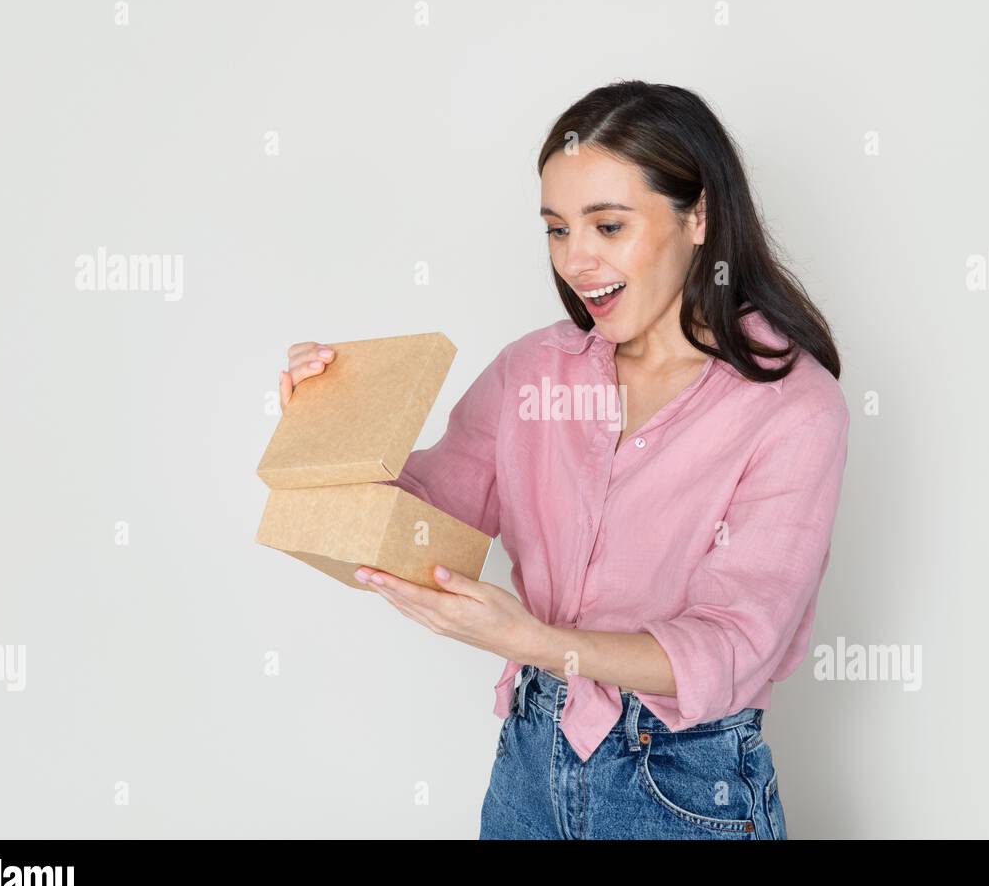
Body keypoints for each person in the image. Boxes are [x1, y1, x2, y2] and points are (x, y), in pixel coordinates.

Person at [277, 81, 850, 840]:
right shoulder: (532, 373)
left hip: (683, 782)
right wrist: (326, 436)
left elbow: (738, 645)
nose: (577, 260)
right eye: (556, 229)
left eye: (608, 226)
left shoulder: (792, 407)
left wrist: (538, 645)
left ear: (699, 216)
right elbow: (418, 522)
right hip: (529, 764)